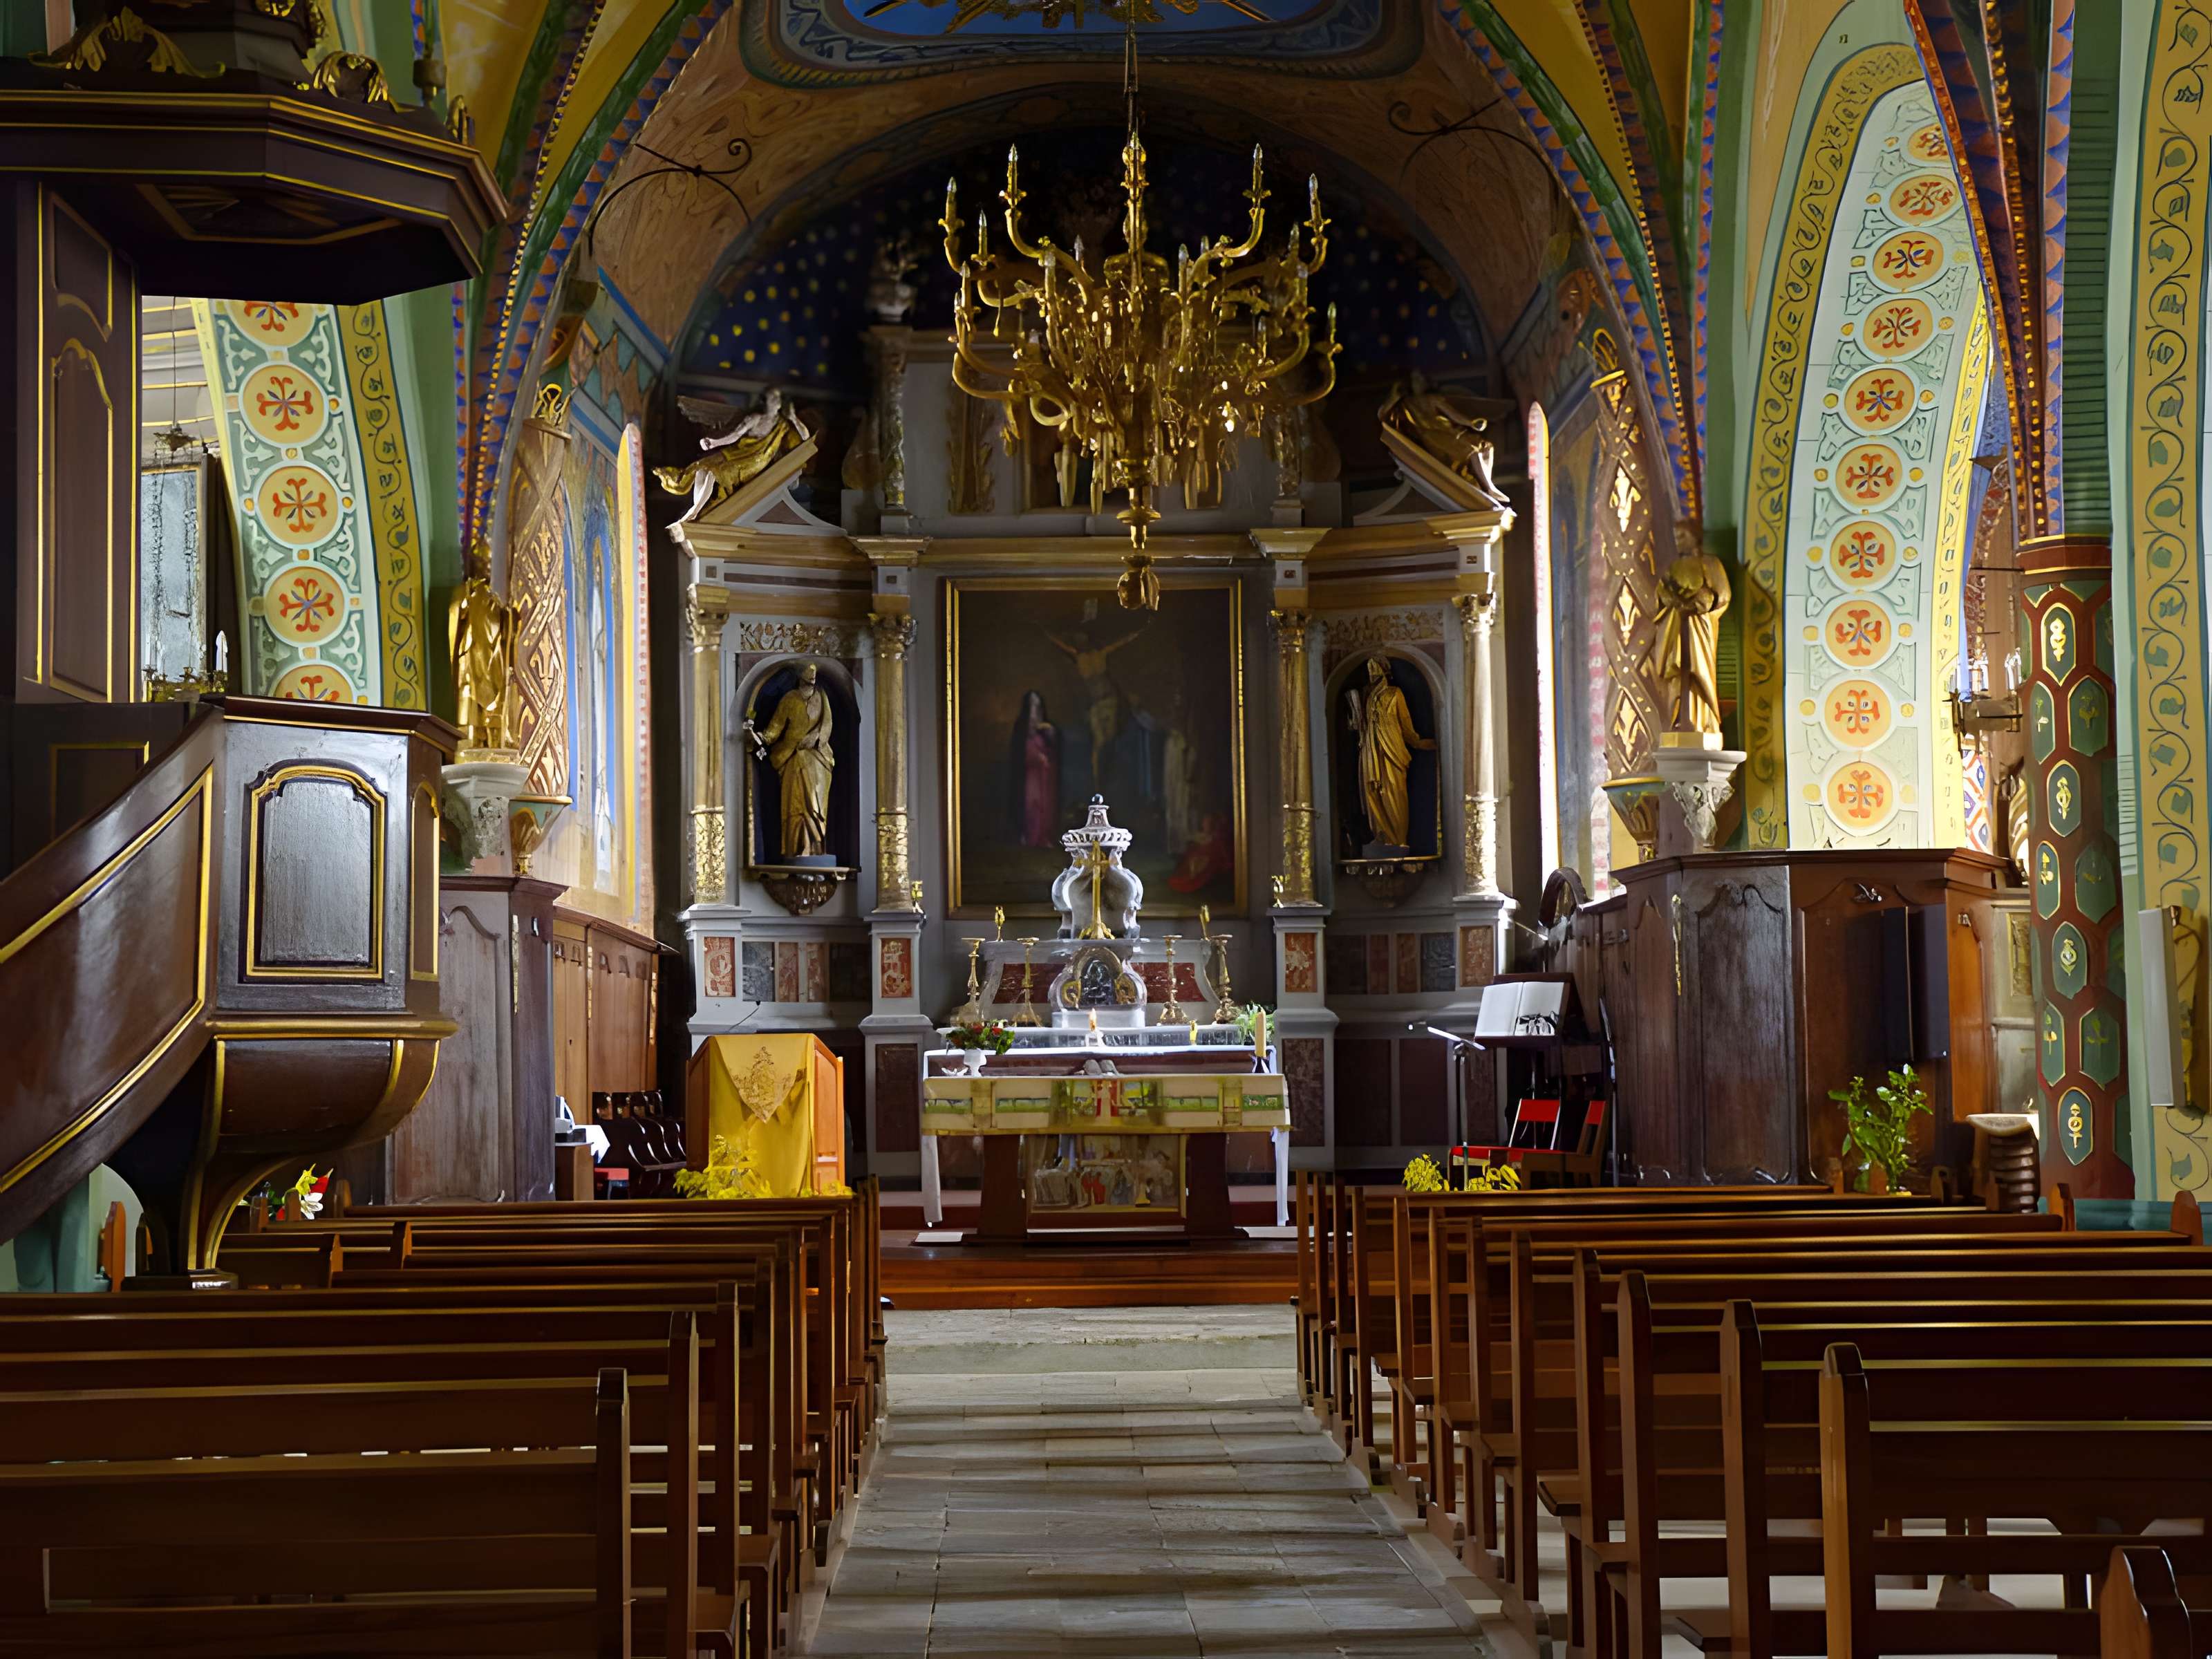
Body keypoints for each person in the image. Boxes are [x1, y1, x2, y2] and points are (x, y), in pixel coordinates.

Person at [744, 663, 834, 859]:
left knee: (817, 807)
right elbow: (774, 730)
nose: (811, 680)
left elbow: (827, 723)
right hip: (791, 759)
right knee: (796, 808)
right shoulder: (789, 699)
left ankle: (817, 850)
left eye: (814, 678)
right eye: (808, 677)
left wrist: (817, 736)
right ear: (800, 678)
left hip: (818, 758)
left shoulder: (821, 696)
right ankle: (797, 851)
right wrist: (758, 737)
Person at [1654, 522, 1732, 735]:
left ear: (1694, 536)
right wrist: (1672, 600)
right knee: (1678, 674)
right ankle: (1678, 718)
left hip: (1699, 627)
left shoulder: (1710, 563)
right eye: (1675, 536)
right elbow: (1660, 595)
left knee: (1699, 672)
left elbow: (1722, 595)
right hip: (1675, 626)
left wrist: (1704, 601)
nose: (1678, 540)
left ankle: (1704, 723)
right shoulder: (1672, 568)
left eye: (1682, 535)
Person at [1351, 654, 1434, 850]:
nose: (1372, 672)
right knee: (1373, 793)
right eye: (1369, 668)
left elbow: (1406, 727)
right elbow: (1358, 726)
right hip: (1370, 752)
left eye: (1375, 667)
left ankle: (1398, 840)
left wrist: (1419, 742)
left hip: (1392, 751)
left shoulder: (1394, 694)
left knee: (1393, 793)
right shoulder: (1364, 695)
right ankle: (1380, 835)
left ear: (1383, 669)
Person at [1006, 689, 1060, 849]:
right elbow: (1019, 751)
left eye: (1037, 705)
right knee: (1031, 804)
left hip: (1044, 775)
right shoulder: (1021, 727)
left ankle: (1043, 838)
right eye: (1032, 705)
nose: (1035, 709)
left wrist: (1051, 736)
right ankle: (1029, 837)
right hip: (1029, 775)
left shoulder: (1045, 726)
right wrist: (1035, 757)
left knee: (1045, 806)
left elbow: (1053, 750)